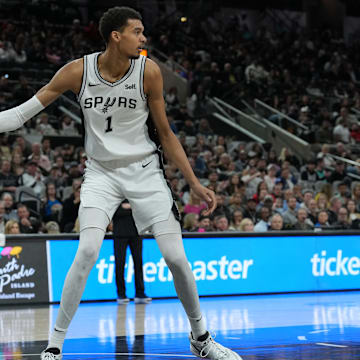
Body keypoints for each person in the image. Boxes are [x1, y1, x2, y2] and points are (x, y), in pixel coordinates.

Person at [0, 7, 240, 360]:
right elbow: (22, 114)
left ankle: (201, 338)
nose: (143, 38)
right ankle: (54, 346)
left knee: (175, 257)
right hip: (100, 173)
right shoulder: (77, 71)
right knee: (86, 251)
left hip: (145, 171)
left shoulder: (149, 72)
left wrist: (194, 183)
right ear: (116, 35)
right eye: (137, 31)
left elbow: (167, 134)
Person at [112, 200, 151, 304]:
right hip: (120, 235)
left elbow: (142, 211)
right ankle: (121, 294)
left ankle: (140, 293)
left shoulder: (135, 195)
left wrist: (127, 208)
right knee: (119, 264)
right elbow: (114, 212)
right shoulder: (115, 197)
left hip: (136, 234)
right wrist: (132, 208)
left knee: (138, 264)